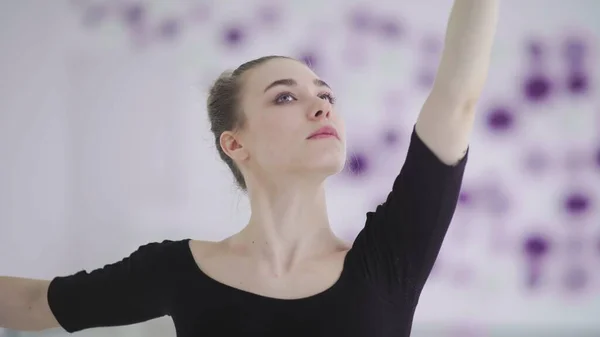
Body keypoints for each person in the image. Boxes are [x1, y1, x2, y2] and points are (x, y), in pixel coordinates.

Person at [0, 1, 498, 336]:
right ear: (235, 143)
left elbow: (456, 102)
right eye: (286, 96)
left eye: (326, 95)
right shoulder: (174, 271)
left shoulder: (390, 261)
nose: (322, 106)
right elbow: (30, 305)